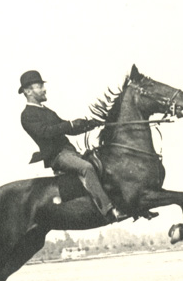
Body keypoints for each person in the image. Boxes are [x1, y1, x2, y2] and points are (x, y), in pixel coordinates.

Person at [18, 70, 124, 223]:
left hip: (69, 152)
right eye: (39, 86)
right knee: (86, 167)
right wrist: (70, 124)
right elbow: (46, 132)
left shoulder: (47, 111)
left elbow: (67, 128)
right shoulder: (27, 115)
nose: (44, 89)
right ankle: (109, 210)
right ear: (28, 91)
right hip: (58, 156)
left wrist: (87, 125)